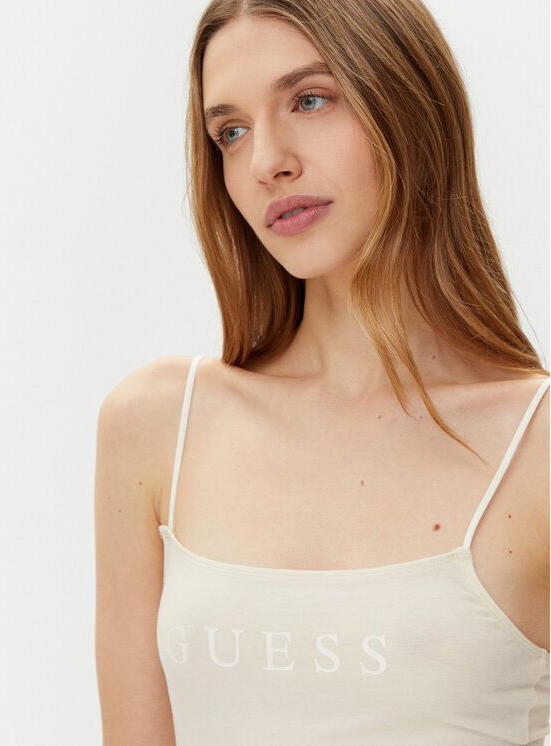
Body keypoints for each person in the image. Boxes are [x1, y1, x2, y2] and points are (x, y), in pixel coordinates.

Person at [94, 0, 549, 743]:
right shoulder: (156, 427)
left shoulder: (537, 446)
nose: (265, 162)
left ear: (406, 101)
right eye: (230, 132)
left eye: (309, 100)